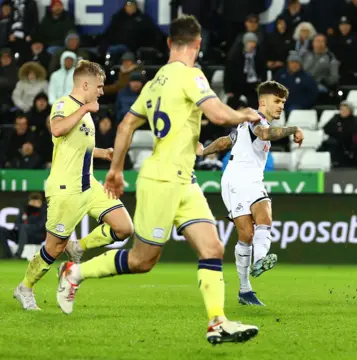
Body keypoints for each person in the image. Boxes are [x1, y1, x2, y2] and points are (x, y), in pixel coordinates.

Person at [55, 15, 262, 345]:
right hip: (162, 180)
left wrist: (116, 169)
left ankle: (217, 322)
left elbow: (125, 126)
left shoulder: (154, 83)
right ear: (197, 44)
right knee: (142, 261)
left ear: (169, 43)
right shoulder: (191, 76)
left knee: (212, 246)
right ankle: (75, 272)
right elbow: (220, 115)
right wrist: (246, 115)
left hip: (185, 180)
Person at [13, 60, 134, 311]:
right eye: (99, 86)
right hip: (65, 189)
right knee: (54, 248)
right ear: (85, 84)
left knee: (124, 227)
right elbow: (57, 129)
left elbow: (80, 147)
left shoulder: (85, 113)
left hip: (89, 185)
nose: (102, 91)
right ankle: (25, 287)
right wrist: (85, 109)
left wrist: (103, 153)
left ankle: (78, 247)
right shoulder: (63, 104)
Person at [201, 81, 304, 306]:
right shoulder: (256, 120)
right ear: (262, 102)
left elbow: (226, 141)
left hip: (253, 179)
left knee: (265, 215)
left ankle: (259, 261)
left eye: (283, 103)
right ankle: (245, 289)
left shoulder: (246, 123)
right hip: (235, 179)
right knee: (246, 234)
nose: (281, 106)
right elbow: (265, 134)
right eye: (277, 101)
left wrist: (204, 149)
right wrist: (293, 129)